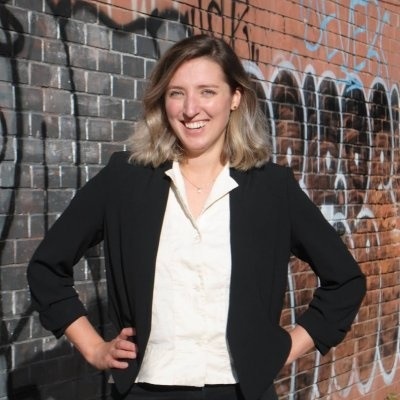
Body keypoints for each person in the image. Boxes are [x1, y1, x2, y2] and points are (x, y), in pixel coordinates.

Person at [27, 34, 366, 400]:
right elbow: (47, 268)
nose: (191, 109)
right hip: (147, 390)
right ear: (163, 100)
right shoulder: (125, 179)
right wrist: (94, 348)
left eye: (207, 91)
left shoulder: (271, 188)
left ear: (235, 97)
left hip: (240, 392)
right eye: (177, 93)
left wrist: (281, 350)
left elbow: (345, 281)